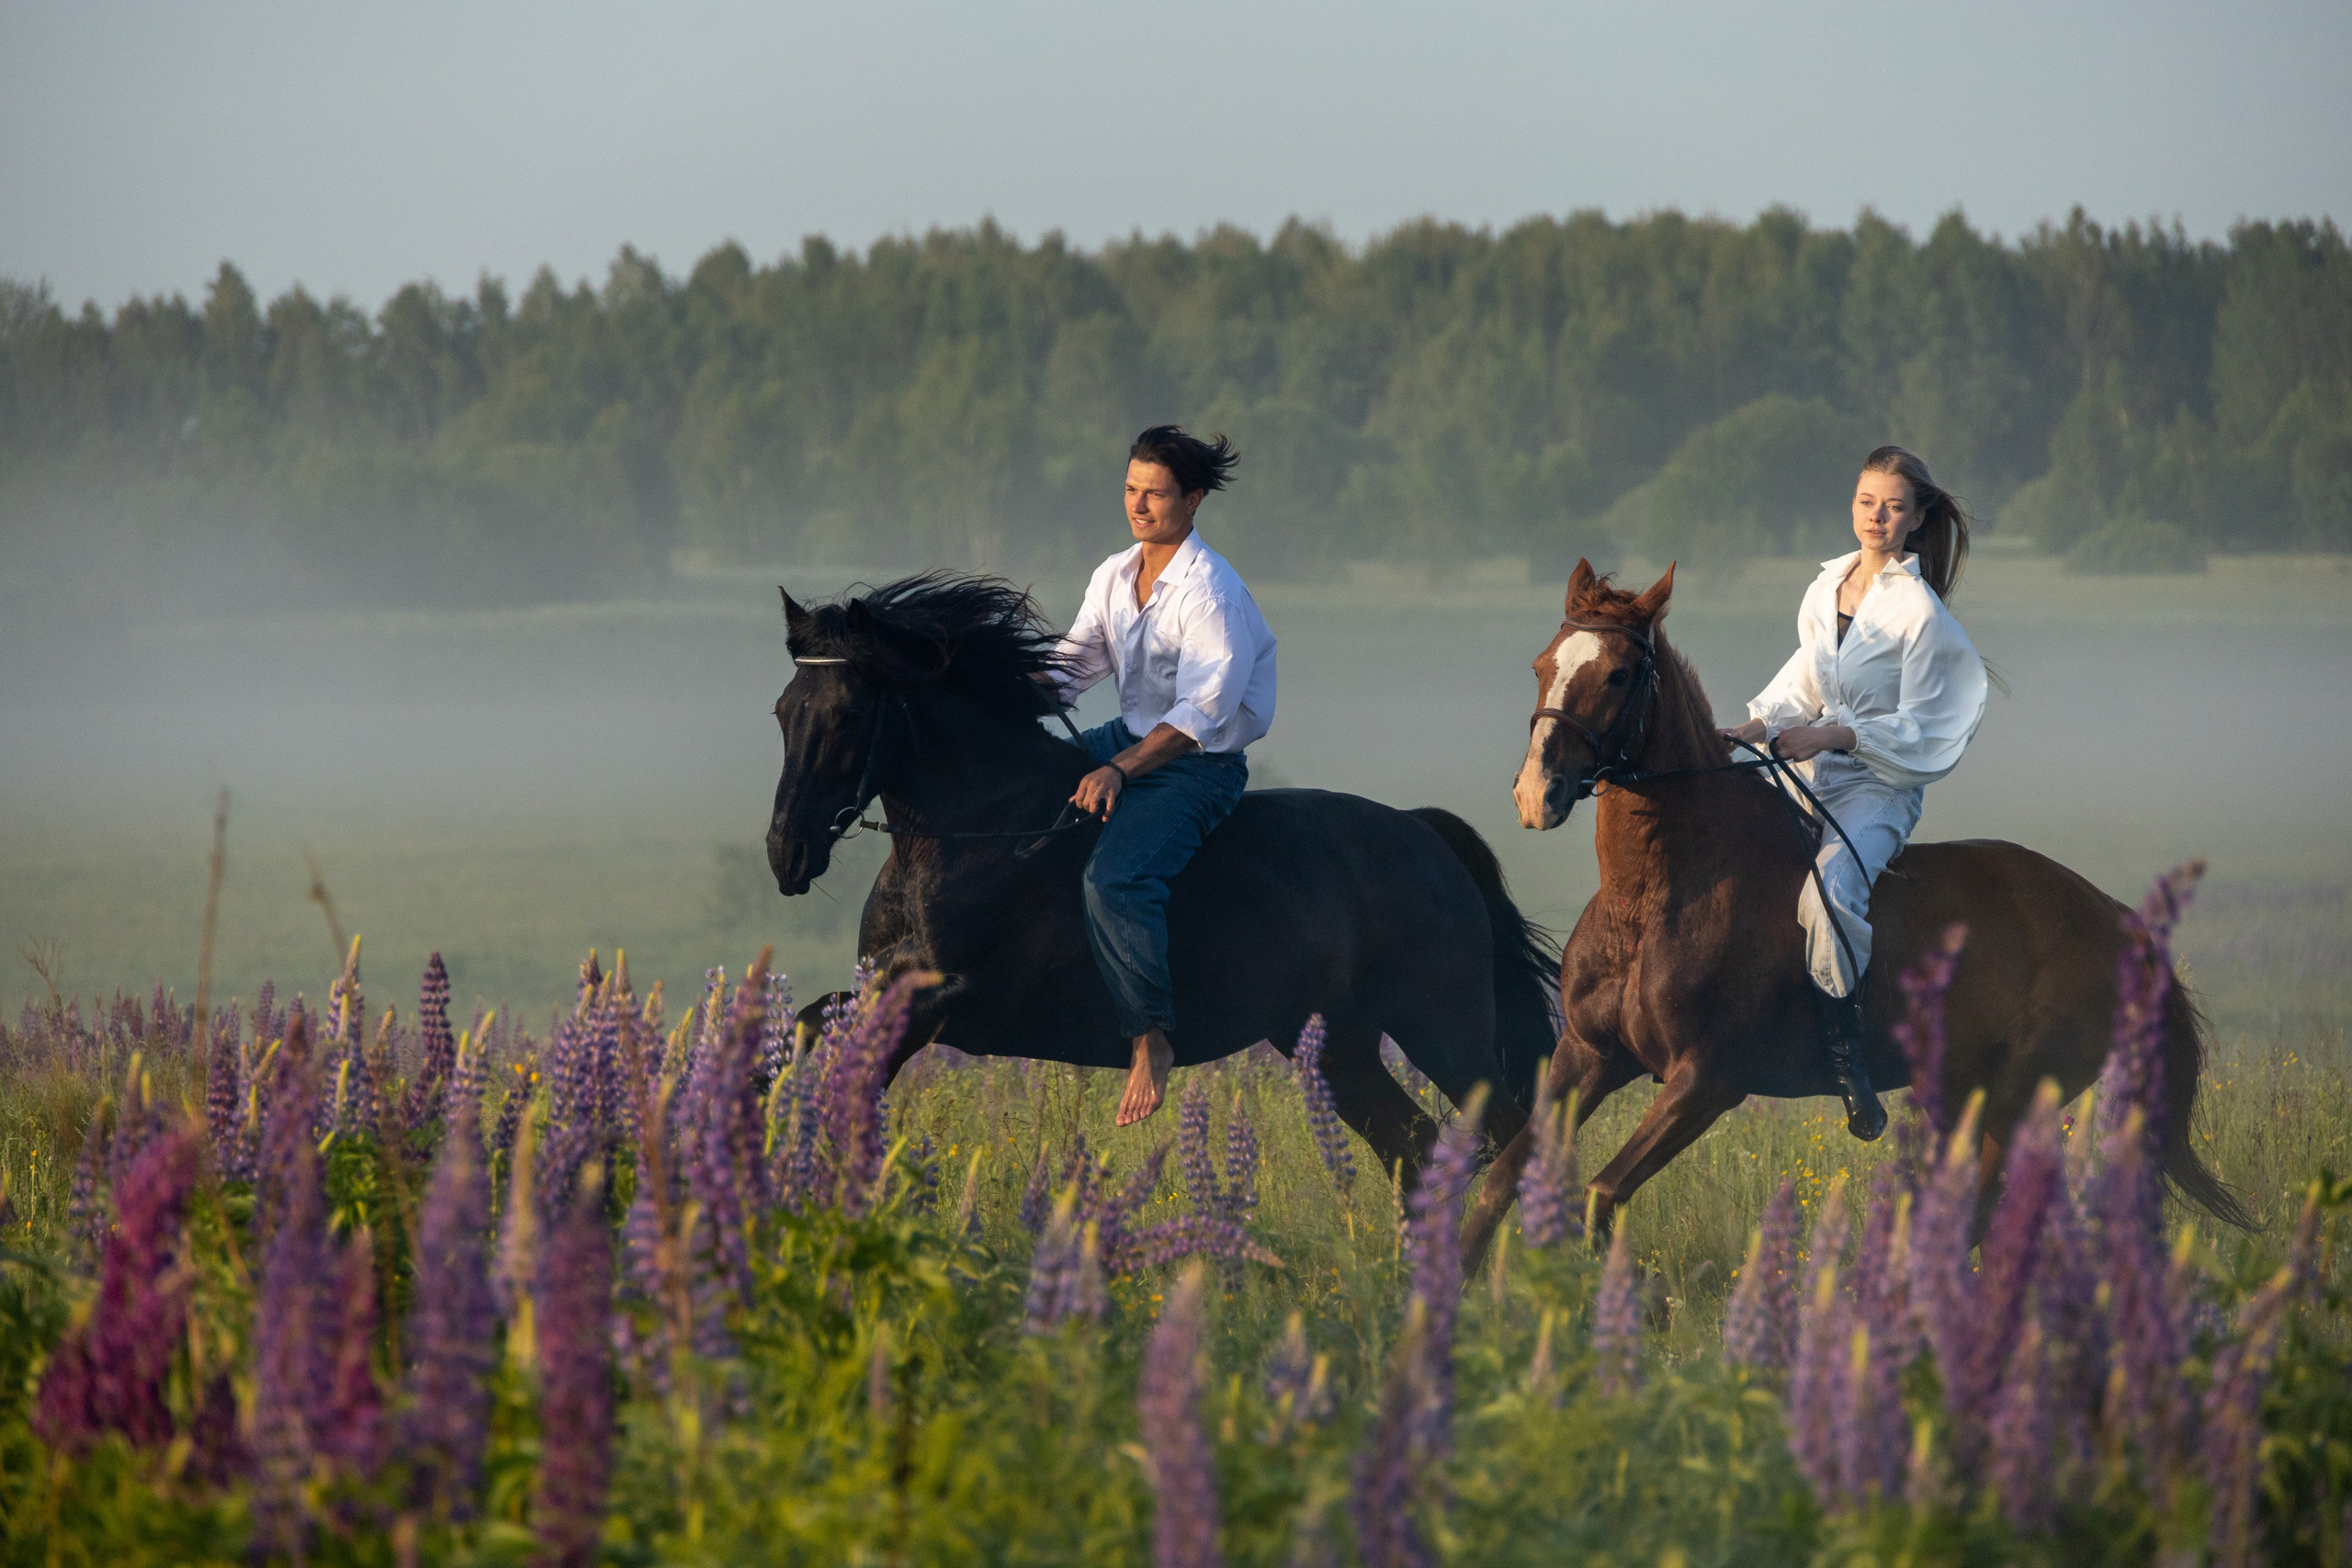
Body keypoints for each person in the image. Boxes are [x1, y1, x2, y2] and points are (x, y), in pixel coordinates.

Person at [1723, 446, 1989, 1141]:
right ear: (1853, 505)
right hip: (1813, 769)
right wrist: (1754, 727)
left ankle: (1848, 1061)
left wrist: (1834, 735)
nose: (1878, 517)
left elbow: (1924, 727)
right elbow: (1804, 680)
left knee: (1829, 894)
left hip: (1878, 787)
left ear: (1916, 518)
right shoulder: (1824, 586)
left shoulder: (1921, 614)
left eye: (1894, 507)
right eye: (1868, 502)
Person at [1049, 425, 1278, 1127]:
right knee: (1026, 784)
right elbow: (1070, 668)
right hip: (1128, 736)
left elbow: (1201, 717)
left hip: (1196, 764)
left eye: (1155, 493)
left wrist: (1118, 770)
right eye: (1130, 489)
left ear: (1194, 499)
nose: (1138, 505)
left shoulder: (1212, 593)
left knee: (1115, 879)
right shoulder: (1114, 575)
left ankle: (1150, 1036)